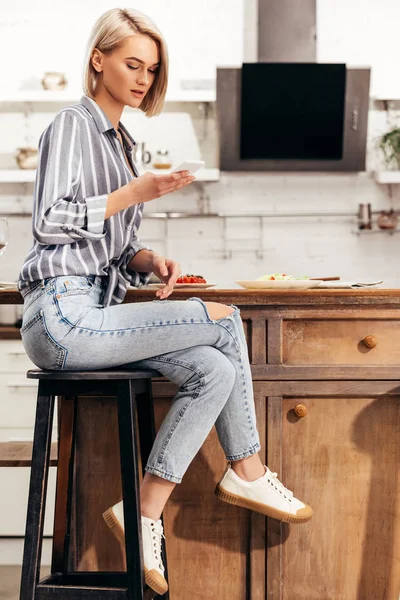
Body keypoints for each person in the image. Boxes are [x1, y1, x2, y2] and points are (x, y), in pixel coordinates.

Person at [18, 7, 313, 596]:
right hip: (61, 315)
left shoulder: (123, 140)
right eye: (132, 63)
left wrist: (151, 260)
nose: (142, 78)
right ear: (98, 59)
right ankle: (248, 470)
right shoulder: (72, 124)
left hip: (95, 313)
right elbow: (50, 222)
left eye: (151, 69)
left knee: (212, 370)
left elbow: (115, 247)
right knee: (225, 325)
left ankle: (143, 509)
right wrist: (137, 190)